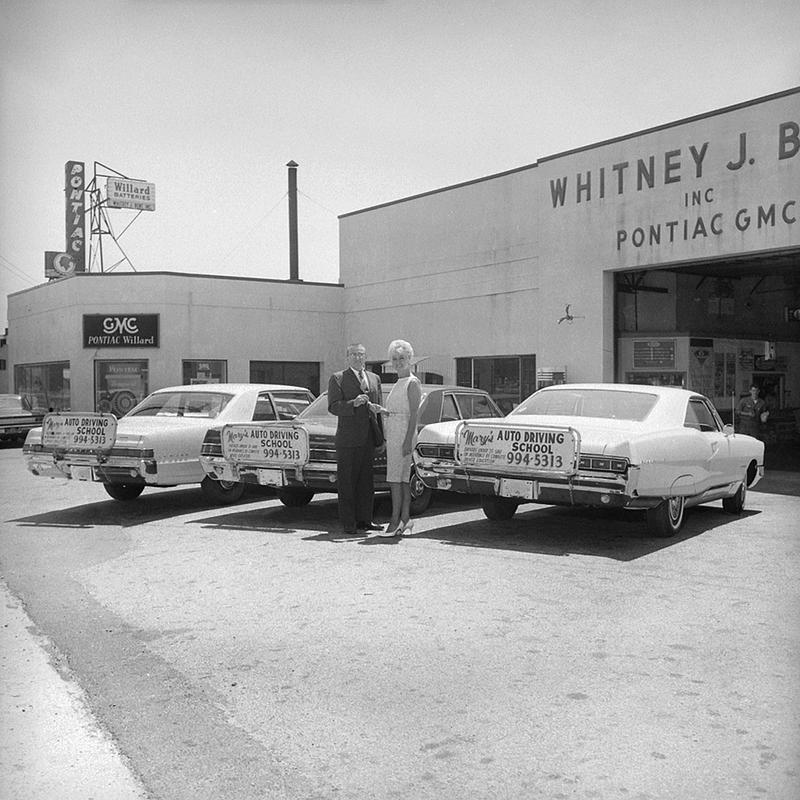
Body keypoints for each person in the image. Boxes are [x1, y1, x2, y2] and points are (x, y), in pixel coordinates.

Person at [328, 343, 384, 535]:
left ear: (365, 357)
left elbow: (377, 409)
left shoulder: (374, 378)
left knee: (366, 482)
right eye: (354, 354)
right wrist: (353, 403)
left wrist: (380, 438)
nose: (358, 358)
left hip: (368, 438)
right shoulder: (338, 378)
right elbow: (333, 406)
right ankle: (349, 522)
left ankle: (365, 520)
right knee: (347, 482)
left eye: (361, 354)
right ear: (347, 357)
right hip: (348, 440)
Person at [377, 339, 422, 538]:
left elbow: (414, 414)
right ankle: (405, 519)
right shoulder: (398, 382)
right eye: (394, 358)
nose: (398, 362)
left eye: (402, 358)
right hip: (394, 433)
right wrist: (382, 411)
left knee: (396, 479)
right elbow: (397, 410)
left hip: (404, 434)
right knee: (400, 479)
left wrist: (407, 441)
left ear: (409, 358)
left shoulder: (412, 383)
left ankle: (395, 520)